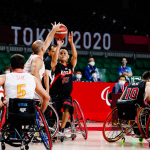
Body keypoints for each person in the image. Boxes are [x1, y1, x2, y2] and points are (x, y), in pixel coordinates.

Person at [24, 22, 61, 99]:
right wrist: (41, 90)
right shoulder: (37, 59)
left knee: (46, 99)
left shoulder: (36, 54)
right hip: (28, 88)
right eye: (43, 44)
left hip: (29, 86)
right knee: (46, 99)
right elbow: (34, 74)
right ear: (42, 49)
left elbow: (48, 40)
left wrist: (54, 30)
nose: (45, 44)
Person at [51, 31, 77, 135]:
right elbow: (54, 58)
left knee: (67, 107)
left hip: (66, 95)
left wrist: (71, 43)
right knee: (56, 113)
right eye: (61, 53)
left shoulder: (71, 66)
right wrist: (58, 46)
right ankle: (56, 127)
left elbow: (75, 56)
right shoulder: (56, 66)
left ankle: (61, 129)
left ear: (68, 56)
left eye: (64, 53)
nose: (62, 54)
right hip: (55, 94)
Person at [120, 71, 150, 137]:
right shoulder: (147, 84)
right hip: (136, 109)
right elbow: (148, 98)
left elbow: (121, 98)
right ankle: (143, 132)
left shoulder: (130, 83)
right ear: (149, 80)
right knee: (146, 109)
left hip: (124, 109)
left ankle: (137, 132)